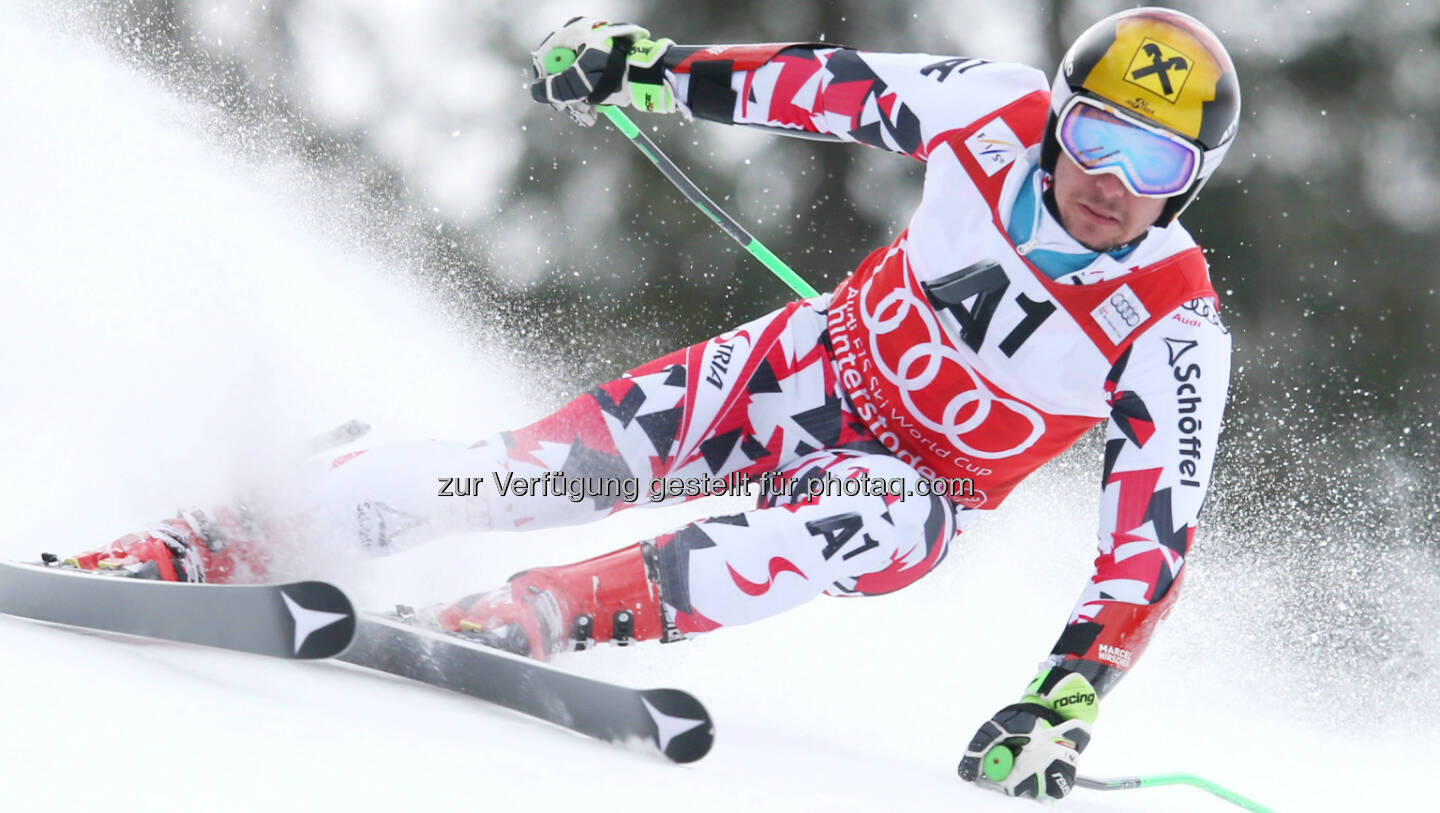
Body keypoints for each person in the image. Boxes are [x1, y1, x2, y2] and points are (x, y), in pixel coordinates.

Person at [65, 7, 1240, 802]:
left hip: (904, 486)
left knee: (867, 520)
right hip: (790, 376)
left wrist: (1065, 695)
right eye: (1095, 137)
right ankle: (229, 534)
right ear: (1057, 118)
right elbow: (822, 90)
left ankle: (528, 619)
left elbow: (1149, 542)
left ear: (1190, 184)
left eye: (1156, 167)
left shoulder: (1175, 328)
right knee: (522, 476)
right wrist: (646, 69)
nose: (1109, 183)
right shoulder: (991, 107)